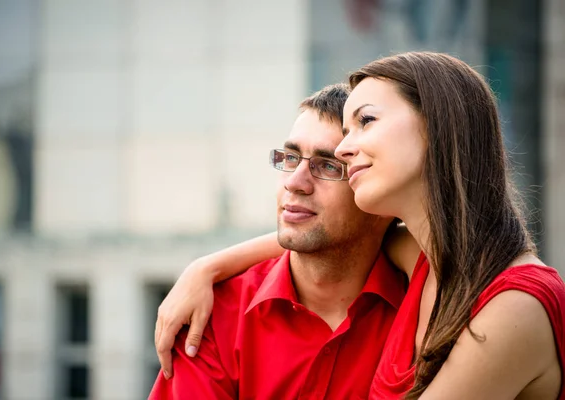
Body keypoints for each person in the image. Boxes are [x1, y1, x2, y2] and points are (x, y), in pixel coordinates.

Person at [155, 52, 565, 399]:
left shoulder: (511, 305)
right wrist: (207, 267)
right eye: (291, 158)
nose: (348, 149)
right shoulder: (423, 257)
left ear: (437, 128)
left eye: (365, 122)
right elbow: (330, 237)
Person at [149, 84, 407, 399]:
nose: (294, 183)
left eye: (328, 166)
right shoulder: (212, 315)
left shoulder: (426, 307)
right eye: (290, 157)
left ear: (377, 195)